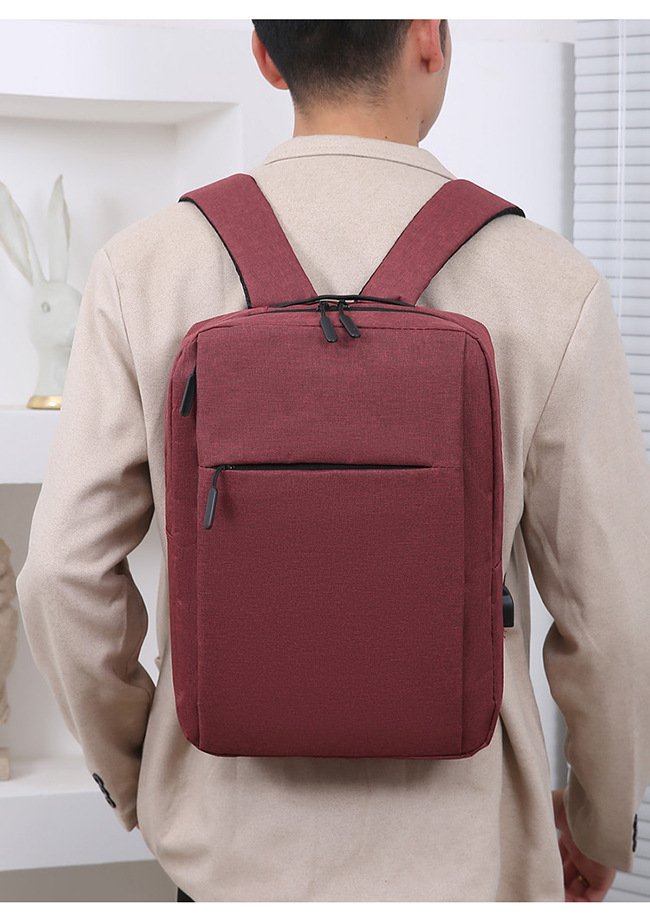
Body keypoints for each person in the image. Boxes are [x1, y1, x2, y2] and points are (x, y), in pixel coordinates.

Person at [17, 20, 650, 903]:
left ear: (265, 55)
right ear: (428, 39)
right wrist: (598, 821)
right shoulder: (551, 282)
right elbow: (612, 615)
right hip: (467, 862)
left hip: (226, 857)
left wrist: (146, 775)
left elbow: (60, 575)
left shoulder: (143, 268)